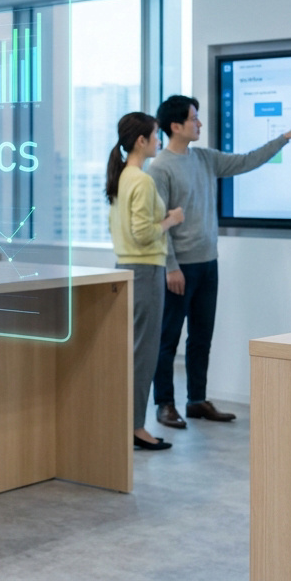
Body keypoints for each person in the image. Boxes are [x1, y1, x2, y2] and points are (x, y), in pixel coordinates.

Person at [148, 95, 291, 429]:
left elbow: (247, 161)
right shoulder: (160, 168)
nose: (200, 123)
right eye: (194, 118)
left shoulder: (205, 158)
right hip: (180, 268)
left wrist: (285, 138)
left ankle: (196, 400)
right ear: (175, 126)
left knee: (201, 337)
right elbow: (156, 223)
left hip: (209, 262)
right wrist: (171, 266)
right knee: (168, 339)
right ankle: (164, 404)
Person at [107, 112, 185, 451]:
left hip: (128, 268)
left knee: (136, 351)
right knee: (144, 353)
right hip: (145, 269)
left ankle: (128, 423)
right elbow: (142, 234)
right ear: (142, 140)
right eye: (155, 135)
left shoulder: (124, 177)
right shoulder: (140, 180)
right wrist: (170, 220)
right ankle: (136, 427)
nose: (159, 141)